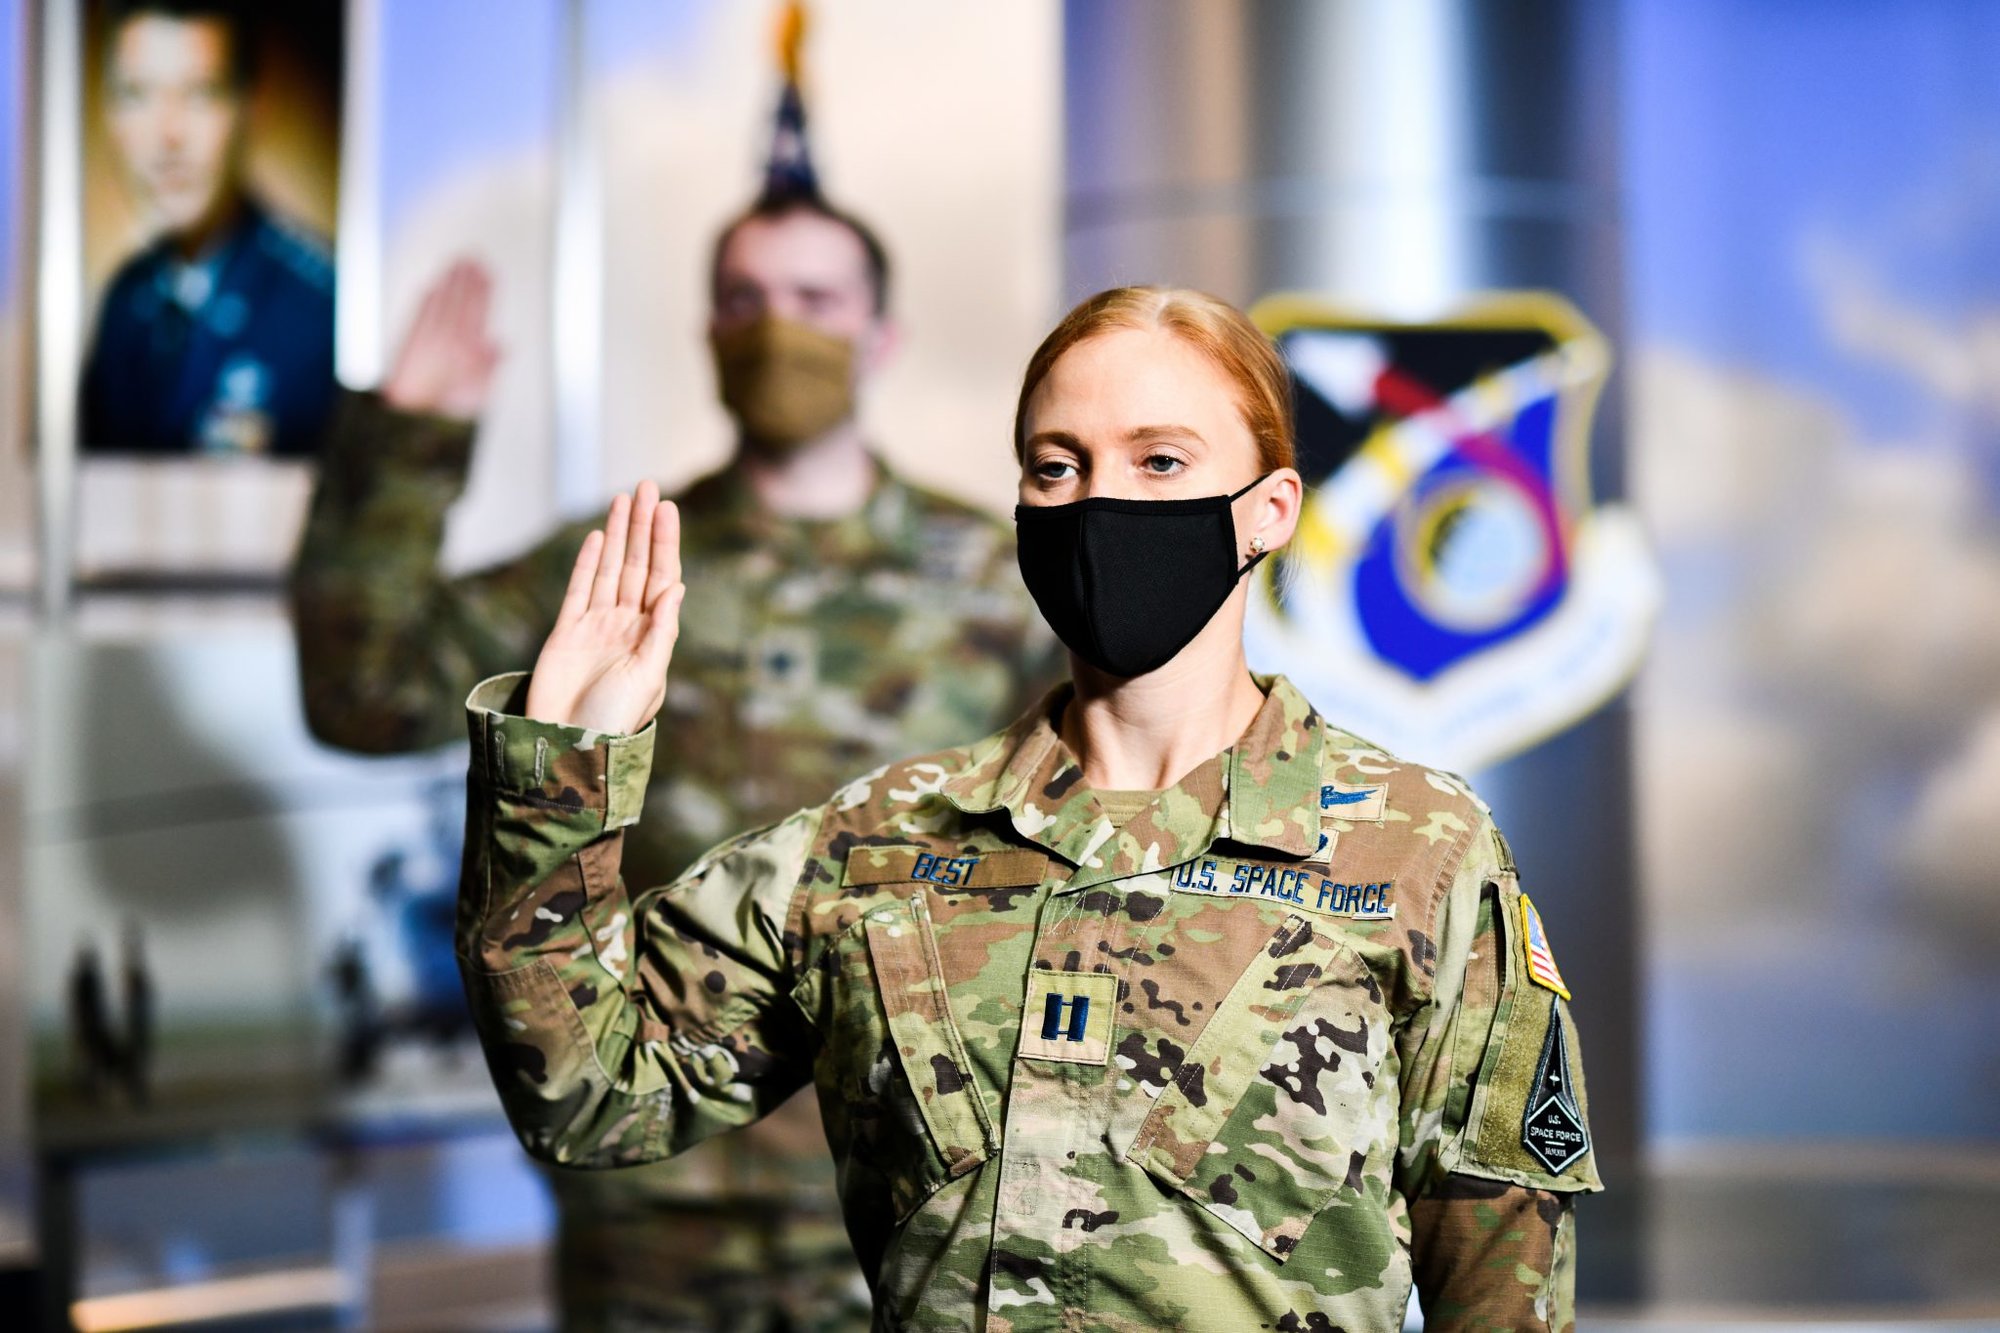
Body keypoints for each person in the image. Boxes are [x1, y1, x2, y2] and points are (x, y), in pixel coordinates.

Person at [457, 286, 1602, 1331]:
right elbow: (586, 1091)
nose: (1097, 500)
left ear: (1266, 509)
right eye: (1056, 466)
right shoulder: (878, 843)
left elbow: (1500, 1277)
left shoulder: (1416, 850)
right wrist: (561, 761)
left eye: (1158, 462)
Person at [291, 197, 1056, 1326]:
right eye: (745, 300)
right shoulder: (623, 567)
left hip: (897, 1183)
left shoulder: (996, 582)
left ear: (878, 337)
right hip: (645, 1183)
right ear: (708, 334)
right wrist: (402, 446)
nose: (775, 330)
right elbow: (365, 695)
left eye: (814, 301)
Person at [81, 1, 336, 456]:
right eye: (137, 94)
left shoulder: (320, 307)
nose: (168, 135)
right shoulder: (124, 301)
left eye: (200, 93)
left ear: (252, 109)